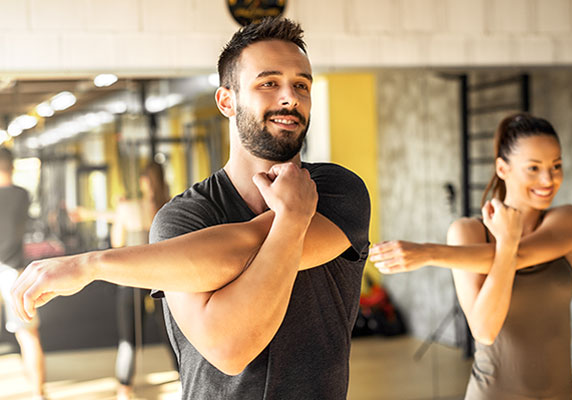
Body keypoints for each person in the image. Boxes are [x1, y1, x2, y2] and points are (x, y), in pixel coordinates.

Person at [12, 17, 370, 399]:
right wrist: (293, 220)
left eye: (302, 85)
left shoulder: (336, 191)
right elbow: (229, 348)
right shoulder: (182, 219)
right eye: (269, 83)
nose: (290, 97)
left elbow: (245, 242)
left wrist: (94, 264)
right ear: (226, 101)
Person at [369, 113, 572, 399]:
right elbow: (484, 330)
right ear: (502, 168)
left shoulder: (567, 220)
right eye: (533, 168)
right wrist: (506, 243)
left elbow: (521, 255)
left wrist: (428, 252)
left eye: (556, 166)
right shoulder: (468, 232)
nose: (548, 179)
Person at [71, 161, 174, 400]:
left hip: (132, 277)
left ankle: (124, 389)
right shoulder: (169, 205)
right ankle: (185, 375)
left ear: (145, 181)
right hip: (164, 277)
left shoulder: (130, 207)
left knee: (128, 338)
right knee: (171, 333)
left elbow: (117, 242)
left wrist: (116, 214)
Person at [0, 147, 46, 400]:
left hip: (9, 271)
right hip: (15, 272)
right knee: (28, 335)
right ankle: (38, 394)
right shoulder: (22, 194)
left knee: (28, 336)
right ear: (12, 166)